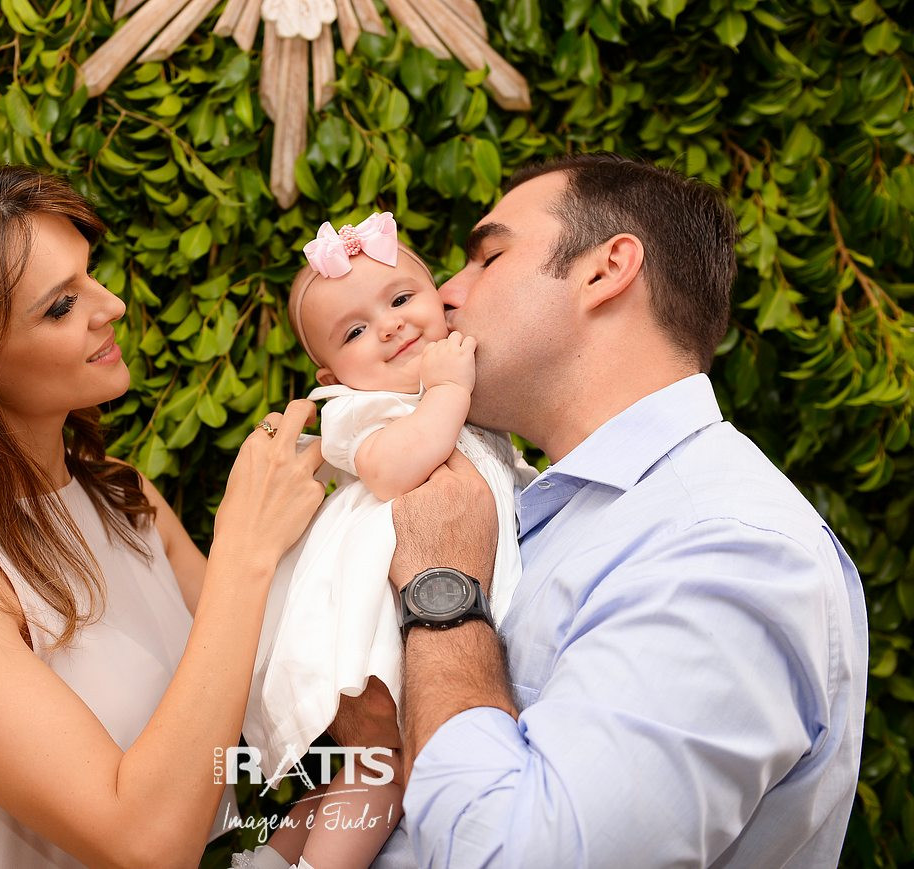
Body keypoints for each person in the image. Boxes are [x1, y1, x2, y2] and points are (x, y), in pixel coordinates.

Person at [0, 162, 327, 868]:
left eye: (91, 276)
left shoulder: (124, 497)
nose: (112, 305)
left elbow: (280, 684)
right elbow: (145, 843)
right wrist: (245, 548)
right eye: (60, 306)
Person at [366, 152, 868, 867]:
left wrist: (441, 589)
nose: (445, 293)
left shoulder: (730, 547)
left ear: (606, 270)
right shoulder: (548, 510)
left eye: (488, 257)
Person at [235, 213, 533, 869]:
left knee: (366, 769)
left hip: (427, 602)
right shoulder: (363, 410)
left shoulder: (462, 401)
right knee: (385, 767)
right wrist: (449, 387)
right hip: (382, 620)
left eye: (401, 299)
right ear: (332, 375)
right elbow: (392, 468)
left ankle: (270, 859)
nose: (390, 326)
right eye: (356, 331)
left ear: (441, 303)